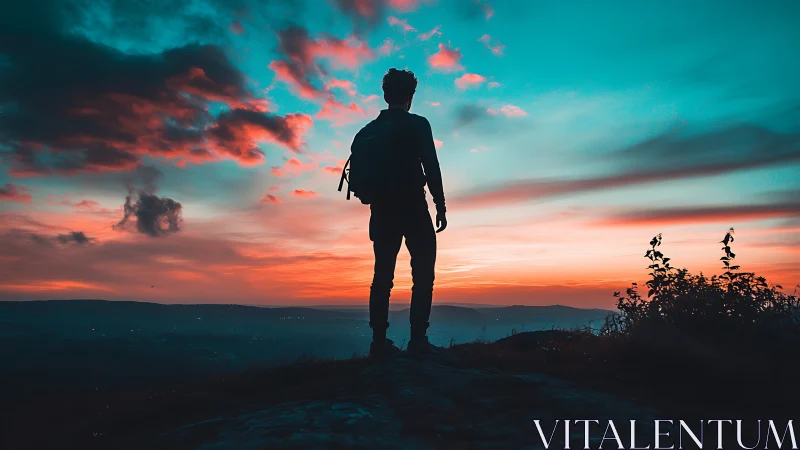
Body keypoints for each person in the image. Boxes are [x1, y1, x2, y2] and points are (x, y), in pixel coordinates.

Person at [352, 68, 448, 358]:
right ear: (411, 96)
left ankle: (378, 343)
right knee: (423, 274)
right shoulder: (417, 125)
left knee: (382, 275)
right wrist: (440, 204)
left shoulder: (366, 132)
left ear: (385, 94)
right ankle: (418, 340)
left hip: (381, 212)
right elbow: (431, 165)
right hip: (413, 207)